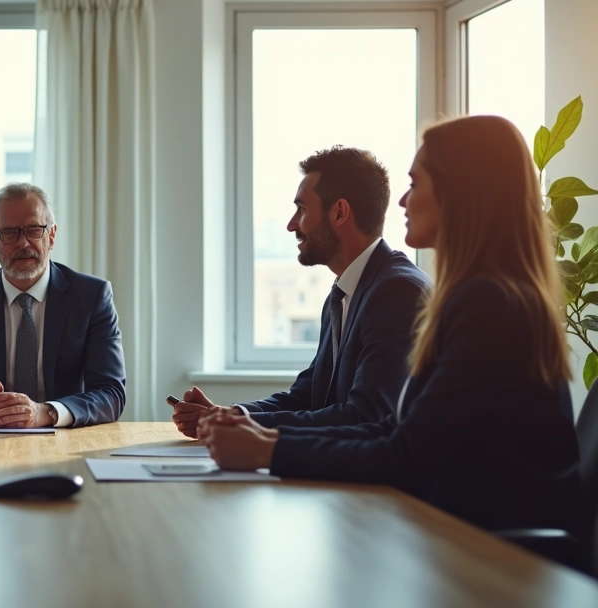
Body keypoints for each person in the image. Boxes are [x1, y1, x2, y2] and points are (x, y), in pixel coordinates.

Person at [200, 116, 584, 535]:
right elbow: (394, 428)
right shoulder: (478, 296)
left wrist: (267, 451)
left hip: (496, 557)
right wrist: (262, 439)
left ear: (460, 194)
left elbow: (405, 453)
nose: (401, 201)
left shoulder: (486, 304)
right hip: (458, 536)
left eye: (415, 184)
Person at [173, 146, 430, 435]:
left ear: (340, 213)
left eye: (303, 209)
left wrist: (239, 426)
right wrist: (230, 415)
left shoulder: (396, 292)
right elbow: (308, 396)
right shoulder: (344, 293)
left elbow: (364, 417)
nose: (291, 224)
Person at [0, 183, 126, 428]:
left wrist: (45, 413)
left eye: (34, 230)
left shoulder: (91, 297)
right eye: (9, 232)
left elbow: (111, 393)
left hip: (66, 443)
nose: (22, 243)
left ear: (51, 236)